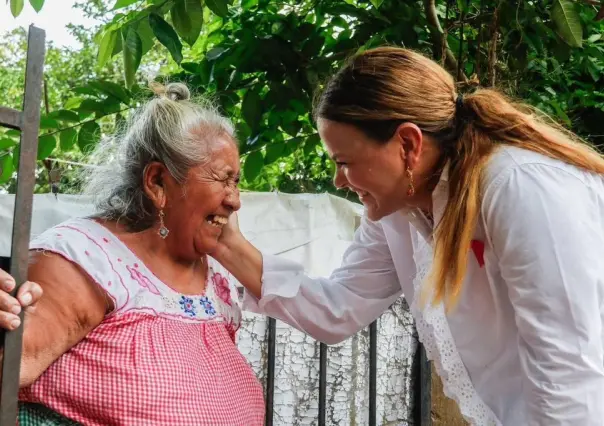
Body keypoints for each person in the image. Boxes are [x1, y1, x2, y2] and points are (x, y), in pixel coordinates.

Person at [207, 47, 604, 425]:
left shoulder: (518, 187)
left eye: (345, 162)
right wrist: (227, 246)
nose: (338, 180)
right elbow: (339, 308)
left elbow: (570, 378)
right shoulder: (400, 210)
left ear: (408, 144)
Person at [0, 83, 264, 425]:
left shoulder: (213, 278)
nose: (235, 199)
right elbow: (15, 362)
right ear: (157, 182)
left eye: (237, 181)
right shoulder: (87, 257)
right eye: (223, 179)